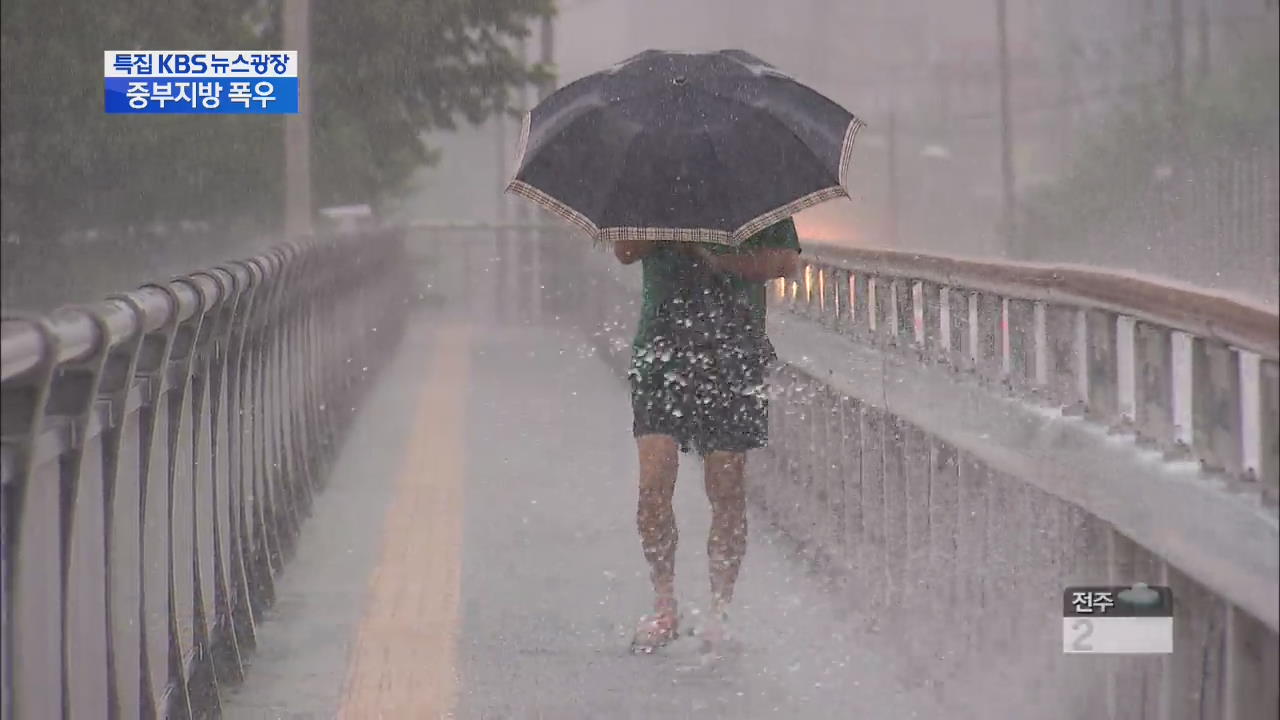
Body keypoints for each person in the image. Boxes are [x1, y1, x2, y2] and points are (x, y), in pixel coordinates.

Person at [612, 218, 801, 655]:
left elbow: (785, 262)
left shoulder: (752, 188)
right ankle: (664, 604)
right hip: (661, 349)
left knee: (726, 486)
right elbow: (624, 250)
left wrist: (715, 255)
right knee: (653, 485)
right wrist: (670, 227)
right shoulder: (652, 188)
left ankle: (720, 610)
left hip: (733, 349)